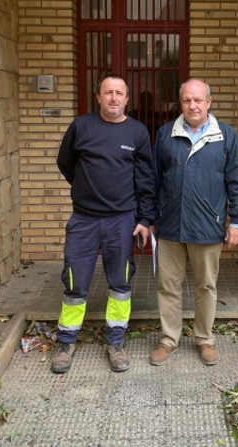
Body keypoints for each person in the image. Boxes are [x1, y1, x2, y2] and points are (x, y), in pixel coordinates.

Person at [52, 74, 154, 374]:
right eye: (107, 92)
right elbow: (65, 163)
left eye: (119, 93)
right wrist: (85, 187)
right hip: (83, 220)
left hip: (121, 221)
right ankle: (67, 343)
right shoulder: (81, 127)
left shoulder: (137, 132)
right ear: (98, 97)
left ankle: (115, 342)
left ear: (126, 99)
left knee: (120, 283)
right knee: (75, 282)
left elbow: (146, 179)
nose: (113, 98)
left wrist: (145, 219)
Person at [150, 79, 238, 367]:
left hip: (208, 226)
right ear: (179, 103)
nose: (192, 105)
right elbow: (154, 179)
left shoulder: (226, 136)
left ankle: (205, 339)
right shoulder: (165, 134)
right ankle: (169, 340)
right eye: (186, 100)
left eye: (198, 100)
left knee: (206, 286)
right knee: (167, 286)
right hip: (170, 224)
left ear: (209, 102)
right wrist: (151, 216)